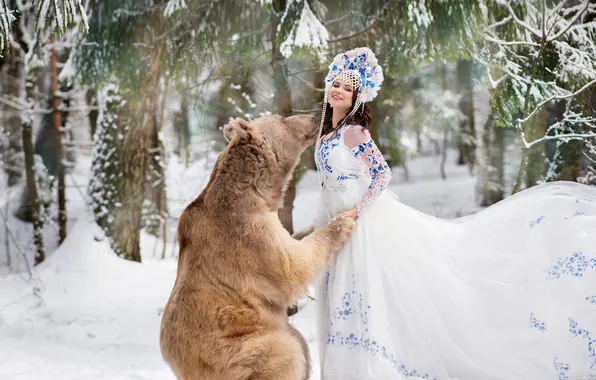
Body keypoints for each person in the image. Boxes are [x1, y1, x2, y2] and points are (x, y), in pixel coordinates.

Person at [312, 46, 596, 380]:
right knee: (337, 292)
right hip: (335, 222)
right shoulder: (327, 133)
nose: (339, 90)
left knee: (364, 291)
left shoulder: (353, 132)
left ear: (357, 97)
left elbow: (382, 175)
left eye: (347, 88)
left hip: (360, 224)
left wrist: (356, 212)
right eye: (336, 84)